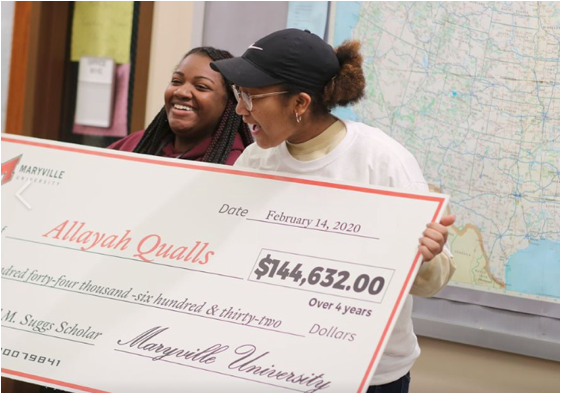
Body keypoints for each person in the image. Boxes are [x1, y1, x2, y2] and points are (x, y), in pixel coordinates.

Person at [211, 29, 456, 393]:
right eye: (237, 94)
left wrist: (426, 255)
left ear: (300, 103)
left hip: (365, 375)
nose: (240, 109)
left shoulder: (381, 161)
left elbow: (433, 281)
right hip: (268, 361)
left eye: (250, 96)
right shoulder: (255, 159)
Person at [109, 47, 253, 165]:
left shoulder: (234, 165)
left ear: (229, 102)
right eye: (176, 81)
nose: (181, 92)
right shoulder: (136, 144)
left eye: (201, 86)